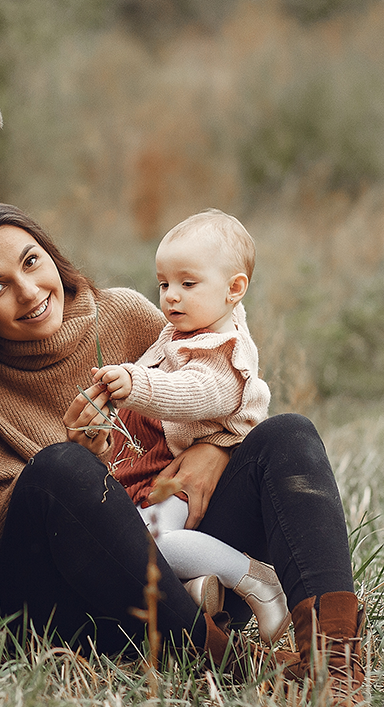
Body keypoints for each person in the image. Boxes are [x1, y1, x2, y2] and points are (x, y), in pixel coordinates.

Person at [0, 201, 365, 707]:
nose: (30, 291)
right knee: (62, 468)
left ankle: (333, 662)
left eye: (32, 261)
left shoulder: (125, 313)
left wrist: (215, 448)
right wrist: (82, 470)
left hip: (187, 562)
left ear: (52, 256)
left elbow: (218, 388)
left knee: (288, 434)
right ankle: (219, 657)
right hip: (77, 604)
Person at [88, 209, 288, 646]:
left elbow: (193, 392)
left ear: (234, 289)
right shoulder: (180, 333)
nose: (171, 297)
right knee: (124, 541)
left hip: (183, 470)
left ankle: (256, 579)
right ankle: (195, 592)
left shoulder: (226, 348)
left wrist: (133, 383)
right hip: (152, 467)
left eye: (187, 284)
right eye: (163, 284)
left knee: (147, 544)